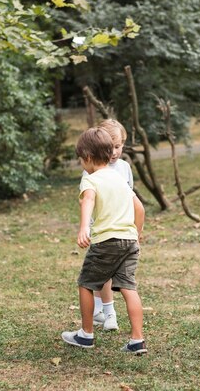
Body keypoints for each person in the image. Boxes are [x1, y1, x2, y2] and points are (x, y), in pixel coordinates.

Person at [62, 127, 147, 354]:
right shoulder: (118, 178)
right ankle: (137, 340)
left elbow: (87, 200)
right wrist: (136, 233)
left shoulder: (91, 179)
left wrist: (83, 227)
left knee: (86, 284)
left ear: (88, 157)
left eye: (81, 159)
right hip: (129, 240)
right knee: (129, 287)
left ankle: (86, 335)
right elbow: (139, 208)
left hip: (107, 241)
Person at [84, 119, 134, 331]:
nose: (114, 152)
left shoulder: (125, 168)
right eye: (109, 146)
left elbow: (132, 199)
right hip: (101, 230)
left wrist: (135, 228)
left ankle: (104, 312)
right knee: (101, 275)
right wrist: (86, 226)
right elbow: (87, 198)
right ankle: (107, 312)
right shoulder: (91, 168)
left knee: (121, 279)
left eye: (118, 145)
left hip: (123, 229)